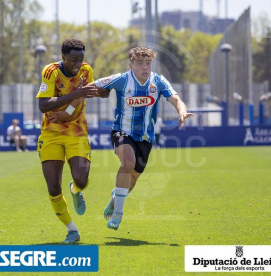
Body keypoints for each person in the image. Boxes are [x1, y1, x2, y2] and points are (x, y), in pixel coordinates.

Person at [94, 47, 193, 230]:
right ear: (131, 65)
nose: (145, 67)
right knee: (128, 163)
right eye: (139, 63)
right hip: (121, 131)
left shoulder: (158, 81)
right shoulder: (122, 79)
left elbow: (176, 99)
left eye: (148, 63)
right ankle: (118, 215)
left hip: (146, 137)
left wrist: (182, 111)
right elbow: (94, 85)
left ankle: (115, 199)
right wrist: (73, 102)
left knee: (131, 182)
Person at [36, 38, 100, 243]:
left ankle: (75, 191)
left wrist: (68, 112)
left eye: (80, 59)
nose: (77, 64)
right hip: (51, 133)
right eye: (73, 59)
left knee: (82, 179)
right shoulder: (51, 71)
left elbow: (82, 96)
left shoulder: (86, 71)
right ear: (63, 57)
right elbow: (44, 105)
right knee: (53, 186)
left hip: (77, 131)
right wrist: (76, 93)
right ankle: (72, 230)